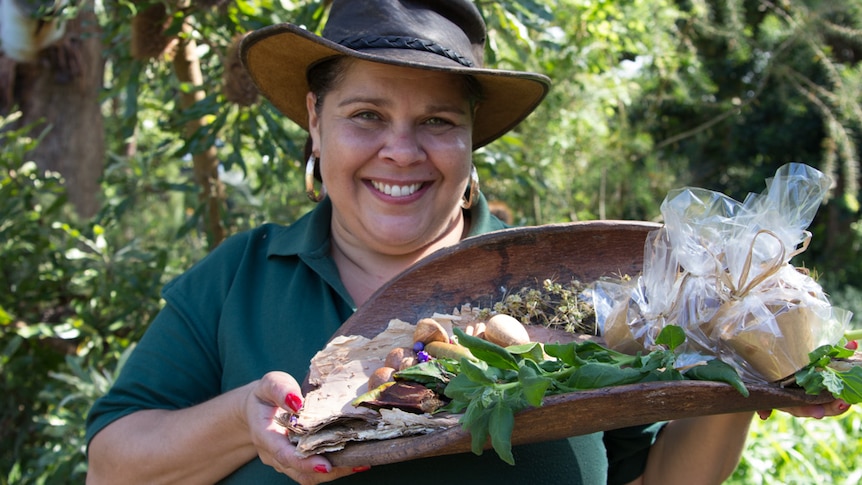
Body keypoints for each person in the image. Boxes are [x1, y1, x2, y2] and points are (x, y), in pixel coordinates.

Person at [84, 1, 851, 484]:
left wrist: (738, 357)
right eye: (366, 116)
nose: (402, 151)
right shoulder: (236, 281)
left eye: (439, 122)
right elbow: (112, 465)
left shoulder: (585, 289)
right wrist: (242, 422)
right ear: (315, 121)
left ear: (473, 138)